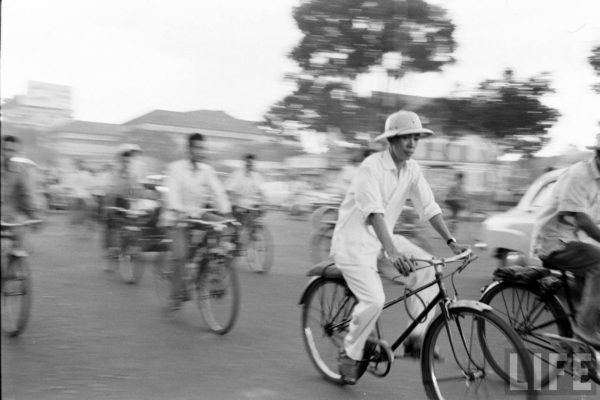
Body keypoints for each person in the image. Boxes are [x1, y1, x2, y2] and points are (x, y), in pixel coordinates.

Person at [330, 110, 467, 383]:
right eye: (406, 138)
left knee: (431, 269)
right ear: (391, 140)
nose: (412, 143)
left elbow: (428, 207)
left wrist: (451, 242)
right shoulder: (371, 167)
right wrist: (393, 252)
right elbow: (374, 213)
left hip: (383, 242)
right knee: (374, 300)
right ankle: (350, 352)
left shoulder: (412, 169)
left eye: (416, 138)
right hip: (354, 244)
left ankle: (416, 338)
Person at [531, 133, 600, 348]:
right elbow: (581, 219)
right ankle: (584, 329)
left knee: (591, 306)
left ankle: (582, 367)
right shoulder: (579, 175)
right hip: (554, 242)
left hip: (577, 244)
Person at [165, 133, 232, 310]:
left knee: (224, 228)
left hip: (199, 214)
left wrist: (226, 211)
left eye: (203, 147)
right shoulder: (176, 168)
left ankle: (212, 272)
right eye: (197, 147)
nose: (201, 151)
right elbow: (171, 192)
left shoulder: (207, 170)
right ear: (189, 149)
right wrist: (177, 209)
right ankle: (175, 296)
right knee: (181, 257)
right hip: (180, 216)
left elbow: (218, 192)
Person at [1, 135, 41, 255]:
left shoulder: (21, 171)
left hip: (12, 218)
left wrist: (34, 215)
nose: (8, 154)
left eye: (12, 150)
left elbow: (27, 194)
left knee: (20, 249)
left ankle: (17, 266)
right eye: (5, 149)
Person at [104, 144, 144, 258]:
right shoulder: (115, 171)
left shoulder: (134, 172)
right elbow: (111, 187)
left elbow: (136, 188)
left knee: (132, 224)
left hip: (128, 202)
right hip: (115, 201)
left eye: (129, 158)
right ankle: (112, 249)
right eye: (125, 157)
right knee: (113, 226)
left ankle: (130, 247)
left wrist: (136, 197)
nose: (127, 160)